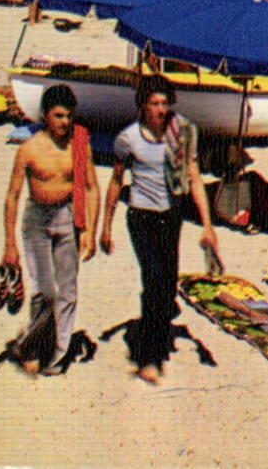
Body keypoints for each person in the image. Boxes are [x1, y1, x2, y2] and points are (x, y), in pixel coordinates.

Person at [100, 75, 220, 386]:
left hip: (172, 217)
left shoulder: (182, 133)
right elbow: (116, 182)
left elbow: (194, 177)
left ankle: (160, 314)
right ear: (142, 105)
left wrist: (208, 225)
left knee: (167, 283)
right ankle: (150, 357)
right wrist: (105, 226)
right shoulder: (128, 138)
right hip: (141, 218)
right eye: (154, 103)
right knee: (153, 280)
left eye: (165, 102)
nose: (161, 109)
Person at [0, 84, 98, 375]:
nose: (65, 122)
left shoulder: (79, 145)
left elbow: (92, 187)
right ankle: (34, 347)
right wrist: (9, 244)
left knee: (67, 290)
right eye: (58, 116)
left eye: (69, 116)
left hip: (67, 219)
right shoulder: (29, 149)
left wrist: (90, 231)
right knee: (44, 290)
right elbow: (12, 197)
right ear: (45, 116)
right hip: (37, 222)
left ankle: (55, 357)